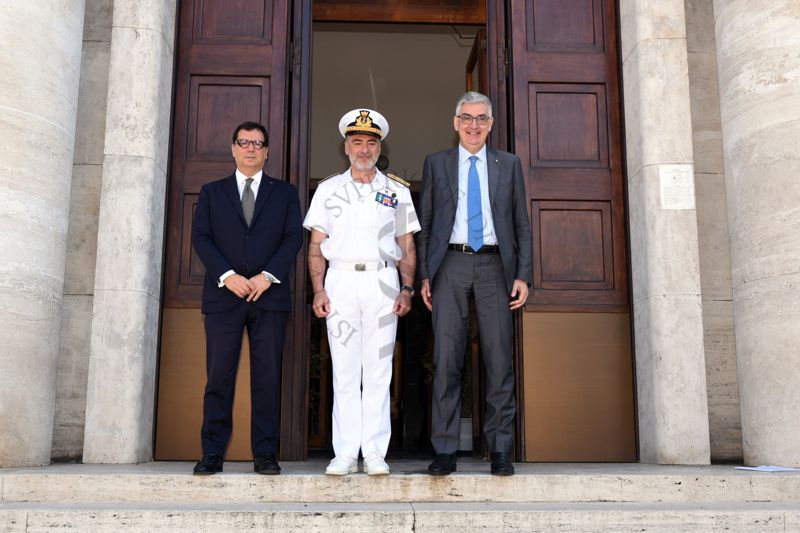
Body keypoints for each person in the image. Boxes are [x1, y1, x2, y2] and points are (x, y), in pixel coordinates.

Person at [418, 92, 533, 476]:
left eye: (481, 118)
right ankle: (445, 450)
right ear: (455, 122)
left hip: (495, 267)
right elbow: (427, 224)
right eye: (466, 118)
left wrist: (522, 274)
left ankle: (501, 449)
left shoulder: (509, 164)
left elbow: (521, 223)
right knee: (447, 359)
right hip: (449, 263)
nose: (473, 125)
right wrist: (425, 275)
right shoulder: (436, 164)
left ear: (491, 123)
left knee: (499, 359)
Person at [304, 108, 420, 476]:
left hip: (383, 282)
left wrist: (407, 289)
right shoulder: (328, 190)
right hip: (340, 282)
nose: (364, 149)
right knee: (345, 369)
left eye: (371, 142)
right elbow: (314, 247)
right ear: (345, 147)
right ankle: (344, 452)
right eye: (357, 142)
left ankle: (373, 453)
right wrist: (318, 290)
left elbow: (408, 246)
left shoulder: (396, 191)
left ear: (379, 146)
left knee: (379, 370)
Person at [191, 121, 303, 475]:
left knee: (267, 378)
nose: (251, 148)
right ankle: (212, 453)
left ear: (267, 151)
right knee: (219, 377)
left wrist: (267, 277)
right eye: (244, 142)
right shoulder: (212, 192)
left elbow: (292, 239)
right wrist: (228, 276)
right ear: (233, 148)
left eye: (258, 143)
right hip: (225, 297)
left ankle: (265, 455)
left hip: (268, 298)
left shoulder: (285, 193)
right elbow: (202, 237)